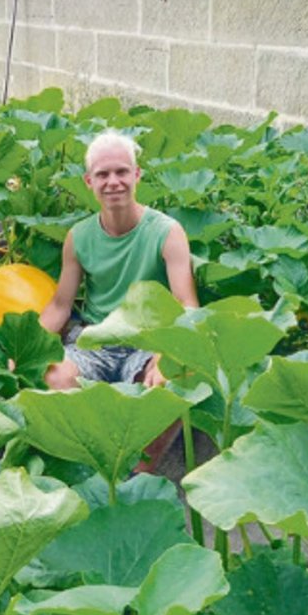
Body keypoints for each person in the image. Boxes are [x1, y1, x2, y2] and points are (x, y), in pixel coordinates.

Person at [37, 130, 199, 470]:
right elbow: (59, 306)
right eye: (103, 174)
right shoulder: (78, 237)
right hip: (96, 339)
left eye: (122, 172)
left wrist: (167, 354)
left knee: (168, 388)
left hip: (149, 339)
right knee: (55, 378)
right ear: (88, 182)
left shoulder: (167, 232)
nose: (113, 182)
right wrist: (24, 349)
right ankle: (94, 465)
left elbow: (187, 305)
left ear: (137, 175)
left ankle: (136, 477)